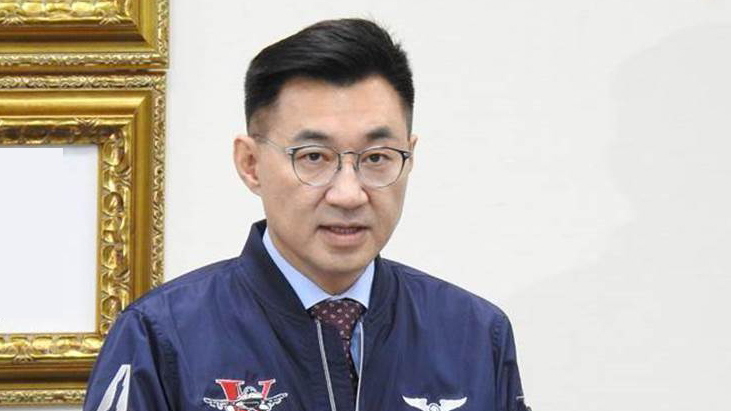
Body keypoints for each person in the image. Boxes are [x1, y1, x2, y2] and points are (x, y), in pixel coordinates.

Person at [83, 18, 529, 411]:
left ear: (409, 158)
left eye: (377, 158)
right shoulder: (160, 336)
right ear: (250, 164)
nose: (349, 194)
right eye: (314, 157)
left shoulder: (474, 335)